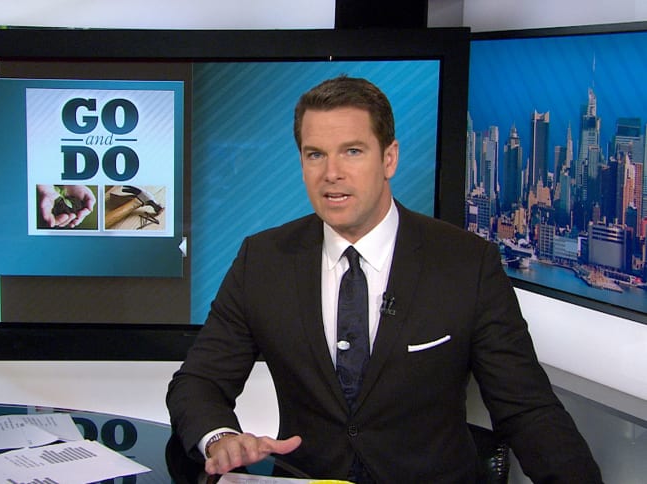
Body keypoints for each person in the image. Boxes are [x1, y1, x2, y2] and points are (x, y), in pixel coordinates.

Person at [165, 75, 602, 483]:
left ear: (389, 158)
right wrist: (220, 437)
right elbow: (198, 382)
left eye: (352, 151)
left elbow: (528, 411)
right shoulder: (263, 260)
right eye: (315, 154)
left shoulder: (467, 264)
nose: (331, 173)